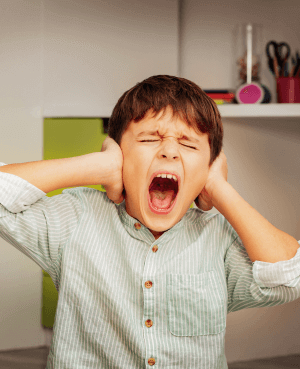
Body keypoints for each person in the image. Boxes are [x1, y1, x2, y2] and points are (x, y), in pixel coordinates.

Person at [0, 74, 299, 368]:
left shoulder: (217, 238)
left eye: (190, 145)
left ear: (207, 168)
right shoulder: (77, 219)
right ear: (120, 155)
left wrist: (220, 189)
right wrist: (96, 165)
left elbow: (289, 276)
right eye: (148, 139)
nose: (169, 150)